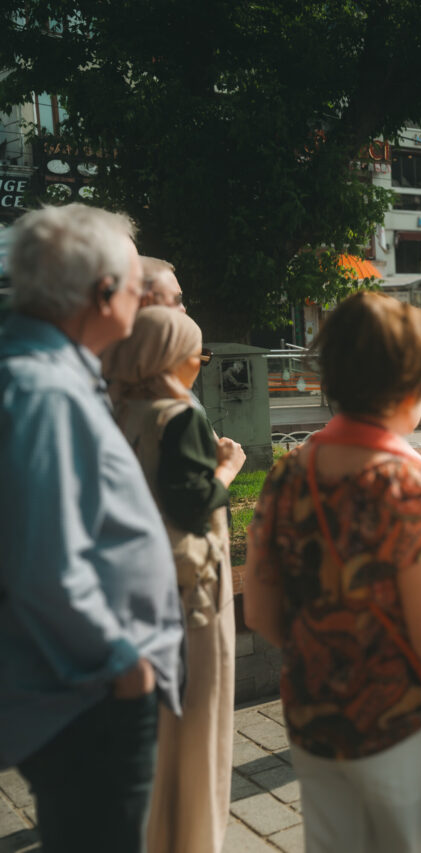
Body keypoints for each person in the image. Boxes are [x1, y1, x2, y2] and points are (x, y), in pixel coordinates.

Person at [243, 292, 421, 851]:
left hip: (314, 721)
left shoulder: (287, 475)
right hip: (402, 730)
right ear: (413, 381)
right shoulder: (410, 487)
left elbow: (261, 613)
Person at [0, 204, 183, 853]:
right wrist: (122, 662)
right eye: (137, 283)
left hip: (82, 687)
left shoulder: (47, 375)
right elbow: (43, 565)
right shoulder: (43, 390)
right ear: (103, 292)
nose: (145, 297)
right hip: (90, 694)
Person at [101, 307, 245, 853]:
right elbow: (192, 504)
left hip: (130, 584)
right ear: (170, 357)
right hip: (186, 591)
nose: (199, 364)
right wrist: (228, 466)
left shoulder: (118, 410)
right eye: (197, 354)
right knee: (198, 724)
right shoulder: (177, 415)